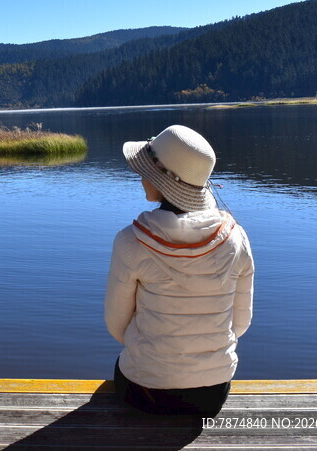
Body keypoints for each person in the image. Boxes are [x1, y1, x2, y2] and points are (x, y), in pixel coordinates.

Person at [105, 124, 254, 417]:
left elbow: (117, 326)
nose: (140, 177)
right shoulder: (236, 239)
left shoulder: (131, 241)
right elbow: (241, 324)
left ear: (160, 180)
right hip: (212, 394)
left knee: (118, 372)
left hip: (144, 392)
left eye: (146, 170)